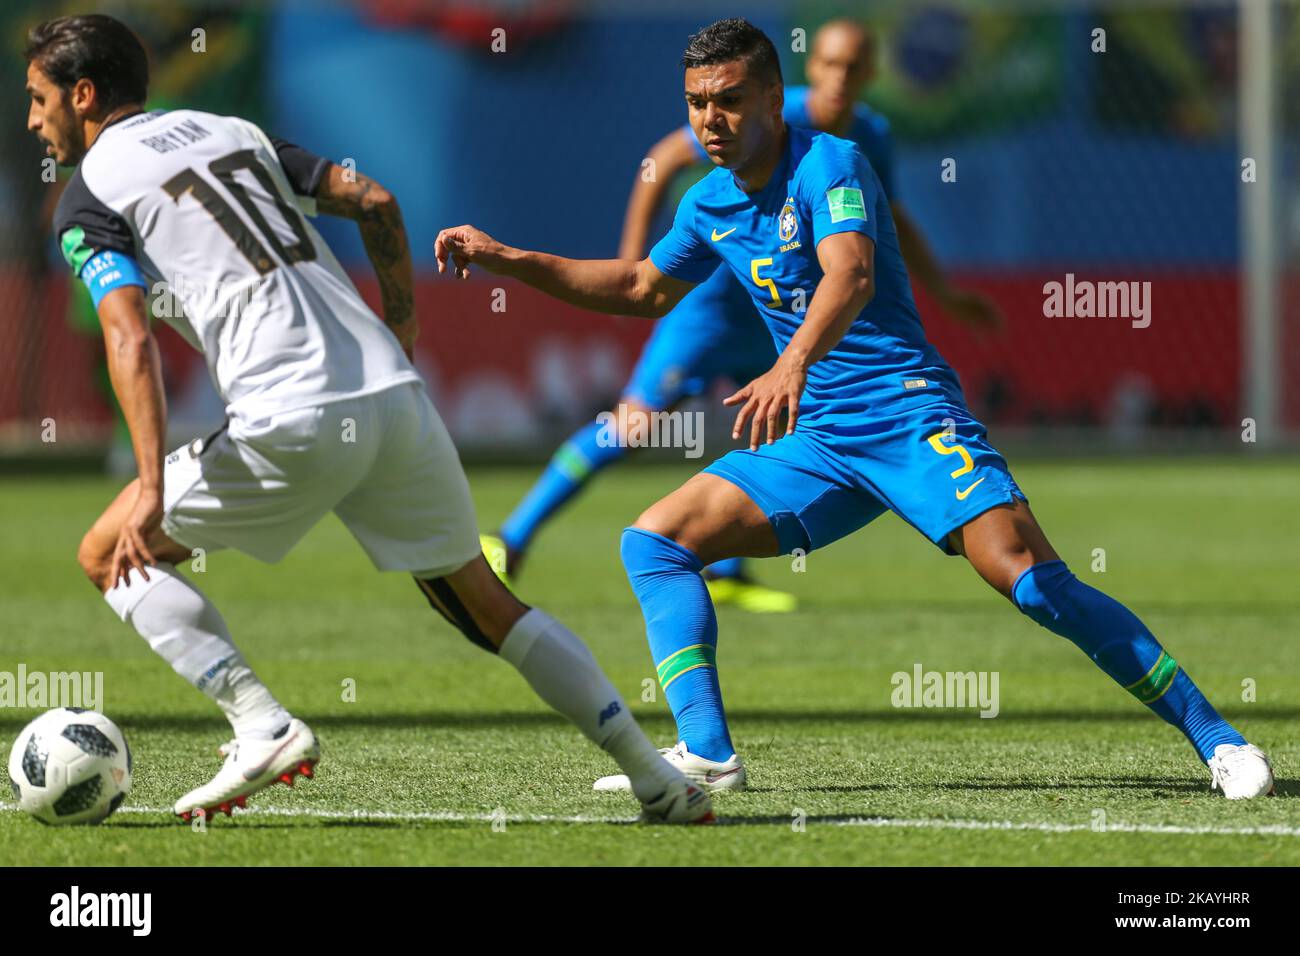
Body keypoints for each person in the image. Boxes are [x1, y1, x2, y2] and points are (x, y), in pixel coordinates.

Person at [435, 18, 1274, 800]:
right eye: (696, 103)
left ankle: (1221, 741)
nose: (711, 119)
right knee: (656, 540)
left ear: (772, 98)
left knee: (1035, 586)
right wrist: (511, 259)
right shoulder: (707, 200)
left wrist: (789, 363)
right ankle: (707, 754)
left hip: (908, 415)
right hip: (823, 440)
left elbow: (853, 276)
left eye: (728, 99)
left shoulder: (829, 163)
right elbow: (641, 286)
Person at [26, 13, 712, 824]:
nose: (33, 121)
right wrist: (405, 325)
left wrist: (148, 483)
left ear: (83, 93)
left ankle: (261, 725)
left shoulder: (91, 192)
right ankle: (657, 778)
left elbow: (127, 333)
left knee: (110, 553)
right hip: (391, 395)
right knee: (484, 602)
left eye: (38, 100)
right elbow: (374, 200)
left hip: (290, 409)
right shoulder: (230, 129)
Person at [482, 18, 1001, 615]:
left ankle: (724, 569)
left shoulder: (865, 140)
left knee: (776, 421)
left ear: (871, 75)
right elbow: (661, 159)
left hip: (782, 314)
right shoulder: (758, 108)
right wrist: (632, 257)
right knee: (634, 425)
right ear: (807, 72)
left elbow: (888, 219)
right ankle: (511, 537)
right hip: (712, 304)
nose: (837, 80)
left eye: (851, 69)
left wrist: (945, 290)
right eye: (827, 66)